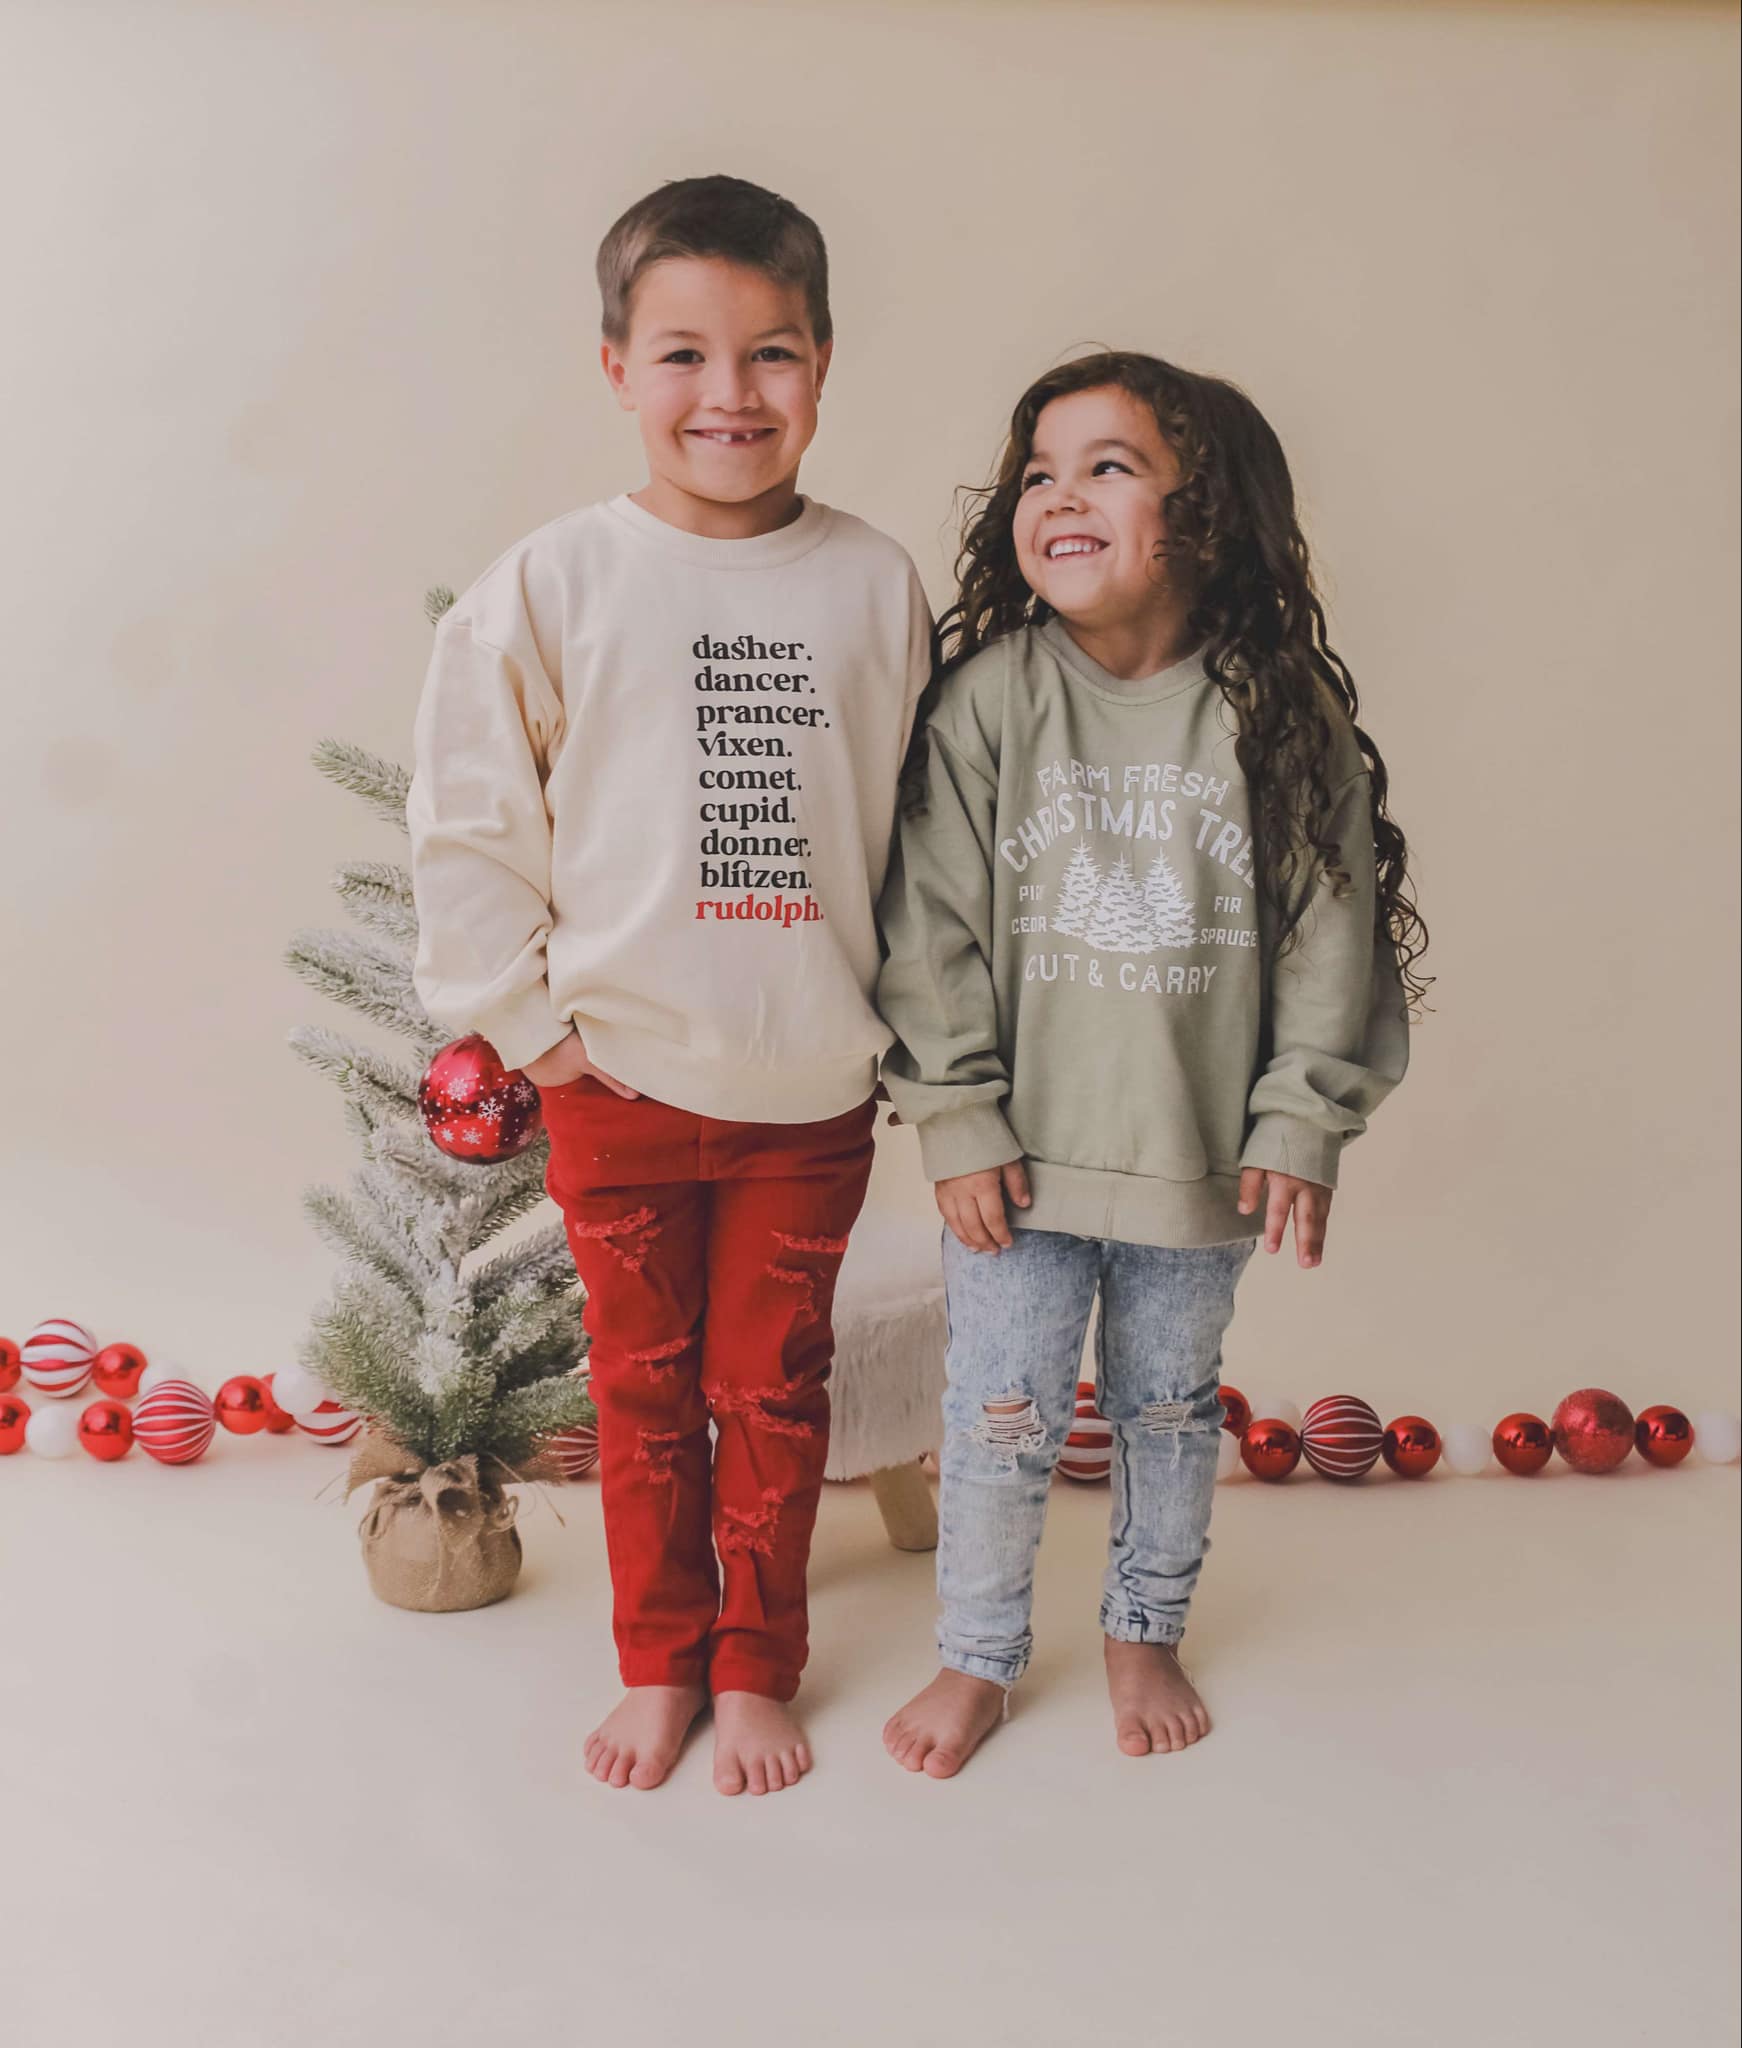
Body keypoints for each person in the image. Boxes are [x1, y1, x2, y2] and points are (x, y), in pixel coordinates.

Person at [408, 175, 930, 1795]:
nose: (730, 393)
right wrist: (536, 1035)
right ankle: (658, 1659)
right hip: (615, 1083)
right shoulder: (551, 582)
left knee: (771, 1391)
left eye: (771, 352)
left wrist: (911, 1036)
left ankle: (756, 1664)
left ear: (822, 363)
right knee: (640, 1395)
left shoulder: (871, 583)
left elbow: (921, 828)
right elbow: (469, 819)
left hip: (807, 1084)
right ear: (617, 369)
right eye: (685, 355)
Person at [876, 351, 1426, 1776]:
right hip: (1015, 1166)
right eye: (1038, 473)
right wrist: (955, 1113)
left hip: (1200, 1160)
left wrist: (1301, 1118)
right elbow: (928, 924)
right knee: (997, 1417)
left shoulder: (1273, 711)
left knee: (1169, 1412)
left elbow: (1329, 931)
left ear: (1205, 513)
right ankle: (977, 1654)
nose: (1059, 497)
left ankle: (1143, 1630)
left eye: (1106, 467)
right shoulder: (990, 701)